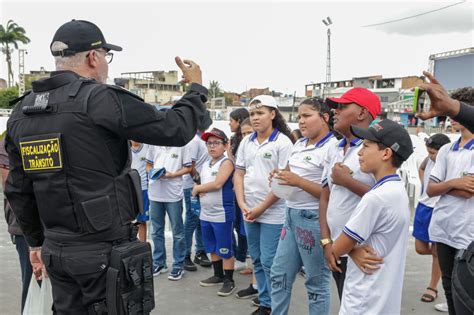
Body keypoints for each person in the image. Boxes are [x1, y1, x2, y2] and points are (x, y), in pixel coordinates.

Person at [4, 19, 208, 314]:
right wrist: (196, 90)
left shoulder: (22, 111)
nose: (106, 66)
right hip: (101, 253)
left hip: (56, 252)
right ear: (93, 57)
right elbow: (173, 129)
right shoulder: (99, 99)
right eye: (106, 57)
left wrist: (36, 244)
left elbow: (18, 188)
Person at [332, 119, 413, 314]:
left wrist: (349, 249)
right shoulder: (396, 190)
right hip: (383, 298)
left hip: (363, 299)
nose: (359, 152)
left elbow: (336, 248)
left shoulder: (375, 198)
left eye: (366, 146)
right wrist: (352, 249)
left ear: (386, 153)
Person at [269, 98, 336, 315]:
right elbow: (289, 172)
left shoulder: (333, 147)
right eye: (299, 117)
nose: (301, 121)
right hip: (291, 214)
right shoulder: (299, 144)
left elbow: (332, 195)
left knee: (316, 284)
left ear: (325, 118)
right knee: (279, 275)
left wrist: (298, 181)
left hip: (314, 219)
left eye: (307, 116)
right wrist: (279, 176)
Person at [318, 88, 381, 300]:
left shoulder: (377, 150)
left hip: (364, 250)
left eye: (343, 106)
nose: (335, 111)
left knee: (361, 306)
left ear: (362, 113)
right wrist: (327, 242)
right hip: (337, 247)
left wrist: (347, 181)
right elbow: (325, 196)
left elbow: (385, 198)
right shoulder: (333, 148)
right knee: (345, 302)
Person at [234, 95, 293, 315]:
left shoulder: (283, 143)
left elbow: (283, 182)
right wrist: (242, 203)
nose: (255, 118)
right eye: (252, 114)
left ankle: (277, 307)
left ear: (273, 114)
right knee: (257, 259)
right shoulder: (246, 142)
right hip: (249, 211)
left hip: (273, 213)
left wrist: (261, 208)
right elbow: (239, 173)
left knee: (271, 262)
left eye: (260, 113)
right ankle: (266, 303)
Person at [426, 88, 474, 315]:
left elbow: (469, 191)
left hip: (467, 233)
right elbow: (431, 188)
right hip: (444, 227)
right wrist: (453, 183)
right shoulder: (446, 148)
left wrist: (446, 184)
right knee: (448, 285)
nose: (453, 117)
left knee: (465, 290)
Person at [193, 128, 236, 296]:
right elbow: (204, 187)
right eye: (209, 143)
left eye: (216, 143)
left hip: (222, 214)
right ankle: (217, 275)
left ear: (225, 146)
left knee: (225, 248)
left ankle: (228, 280)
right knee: (211, 246)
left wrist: (198, 188)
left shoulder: (226, 163)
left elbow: (218, 184)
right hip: (206, 213)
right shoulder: (205, 164)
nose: (212, 147)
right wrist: (199, 190)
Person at [412, 134, 451, 303]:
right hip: (423, 206)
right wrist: (424, 184)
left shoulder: (449, 162)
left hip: (438, 207)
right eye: (428, 152)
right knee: (420, 248)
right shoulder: (429, 160)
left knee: (436, 250)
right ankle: (448, 257)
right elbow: (421, 168)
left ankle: (433, 286)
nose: (430, 155)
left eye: (433, 153)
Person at [146, 143, 192, 281]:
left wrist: (172, 175)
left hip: (173, 194)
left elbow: (188, 167)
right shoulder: (154, 144)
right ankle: (159, 262)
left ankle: (178, 265)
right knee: (156, 231)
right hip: (155, 193)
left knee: (177, 232)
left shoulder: (182, 145)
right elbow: (148, 164)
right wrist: (153, 172)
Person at [0, 135, 33, 313]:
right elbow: (10, 186)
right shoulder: (10, 137)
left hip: (55, 224)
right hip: (25, 227)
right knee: (32, 285)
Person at [183, 128, 212, 272]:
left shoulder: (201, 138)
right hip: (192, 187)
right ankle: (185, 255)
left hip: (201, 186)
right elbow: (191, 166)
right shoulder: (194, 140)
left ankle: (200, 252)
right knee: (191, 221)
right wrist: (198, 183)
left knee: (201, 220)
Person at [228, 108, 250, 272]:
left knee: (245, 227)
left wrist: (230, 156)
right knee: (237, 224)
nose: (229, 123)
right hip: (237, 189)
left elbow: (238, 167)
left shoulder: (247, 144)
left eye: (232, 120)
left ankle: (242, 256)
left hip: (249, 191)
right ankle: (240, 255)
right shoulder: (235, 141)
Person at [130, 140, 150, 242]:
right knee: (128, 220)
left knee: (142, 220)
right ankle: (130, 244)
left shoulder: (147, 147)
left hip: (143, 189)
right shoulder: (126, 148)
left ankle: (142, 245)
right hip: (129, 189)